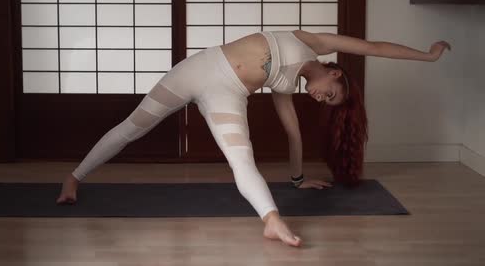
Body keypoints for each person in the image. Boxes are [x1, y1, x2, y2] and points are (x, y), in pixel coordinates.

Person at [56, 30, 452, 247]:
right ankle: (75, 177)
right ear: (334, 74)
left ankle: (272, 220)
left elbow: (293, 137)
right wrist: (427, 55)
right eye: (329, 94)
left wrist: (298, 180)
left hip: (225, 94)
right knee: (131, 128)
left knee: (242, 160)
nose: (321, 99)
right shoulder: (314, 42)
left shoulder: (284, 89)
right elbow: (372, 47)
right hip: (196, 70)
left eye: (326, 104)